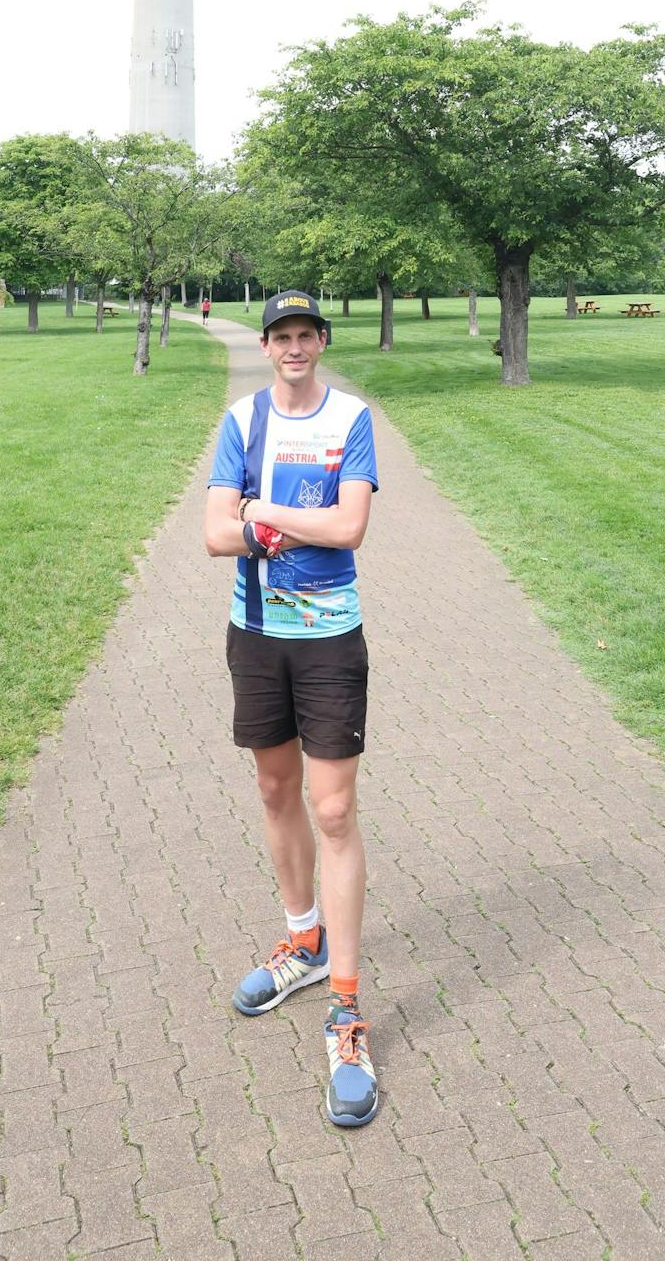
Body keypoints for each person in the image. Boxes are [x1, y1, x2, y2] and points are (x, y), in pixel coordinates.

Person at [203, 289, 380, 1127]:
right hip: (256, 633)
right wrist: (251, 523)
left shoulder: (351, 418)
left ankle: (346, 1012)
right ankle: (301, 942)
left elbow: (350, 529)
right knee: (275, 793)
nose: (295, 346)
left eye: (308, 333)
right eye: (283, 335)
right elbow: (211, 533)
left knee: (334, 808)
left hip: (328, 639)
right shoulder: (242, 421)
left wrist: (263, 512)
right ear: (268, 346)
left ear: (320, 341)